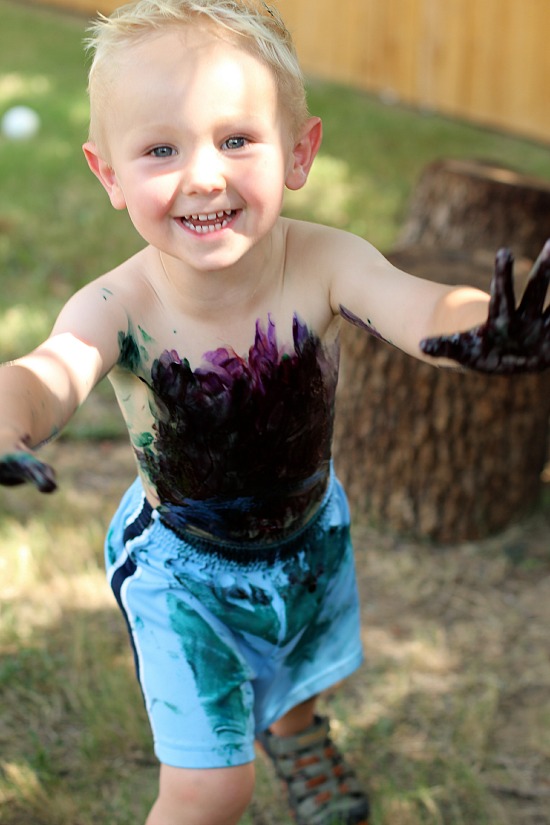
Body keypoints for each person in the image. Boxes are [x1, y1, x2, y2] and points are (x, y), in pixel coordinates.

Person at [0, 1, 548, 823]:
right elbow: (46, 373)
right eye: (160, 148)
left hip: (308, 537)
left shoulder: (326, 260)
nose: (205, 175)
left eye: (235, 139)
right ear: (107, 173)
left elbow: (418, 304)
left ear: (299, 152)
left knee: (299, 668)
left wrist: (484, 327)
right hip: (184, 569)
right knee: (212, 787)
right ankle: (246, 753)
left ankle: (295, 729)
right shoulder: (120, 302)